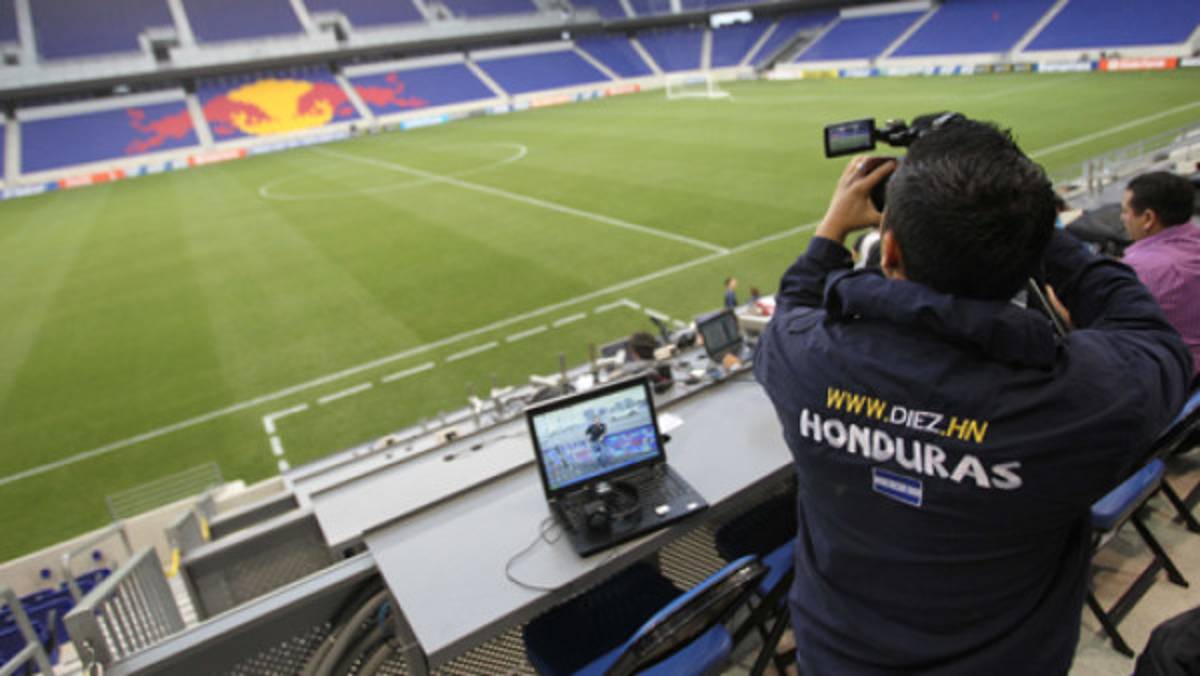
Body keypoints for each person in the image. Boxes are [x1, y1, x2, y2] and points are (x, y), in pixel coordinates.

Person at [754, 119, 1191, 674]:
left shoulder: (803, 360)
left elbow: (792, 307)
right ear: (1029, 257)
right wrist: (1036, 234)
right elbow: (1149, 333)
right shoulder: (1089, 400)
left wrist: (829, 232)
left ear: (889, 250)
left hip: (837, 658)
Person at [1120, 171, 1200, 382]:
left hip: (1179, 381)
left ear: (1148, 218)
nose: (1123, 219)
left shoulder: (1139, 269)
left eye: (1125, 211)